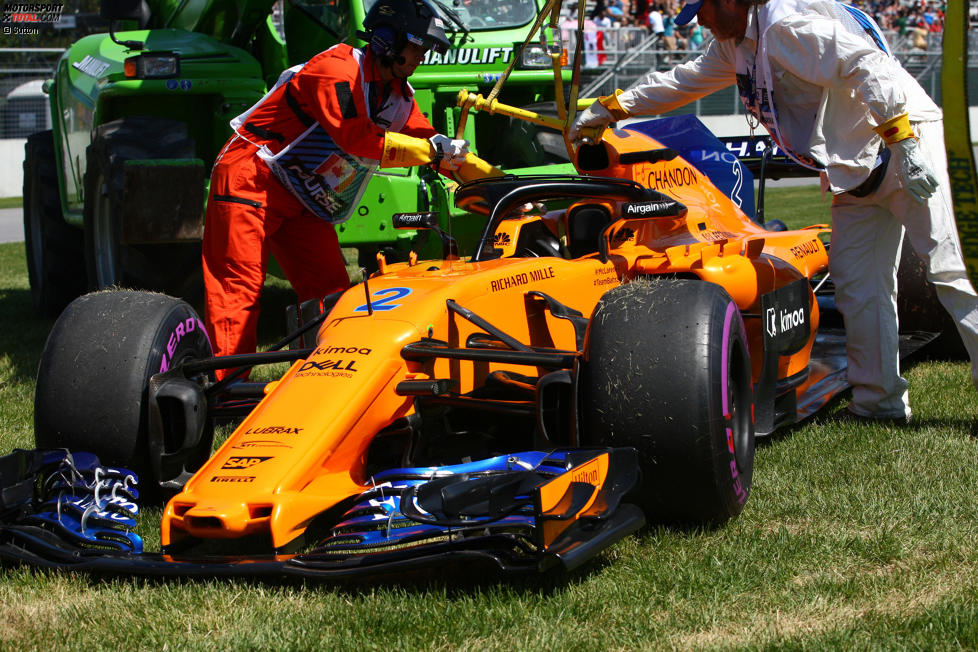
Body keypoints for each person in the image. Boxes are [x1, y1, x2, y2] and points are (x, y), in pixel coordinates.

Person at [570, 0, 978, 423]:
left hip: (903, 143)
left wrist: (904, 144)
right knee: (859, 286)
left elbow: (869, 64)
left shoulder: (785, 27)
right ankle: (879, 404)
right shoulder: (736, 44)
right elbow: (682, 82)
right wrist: (610, 108)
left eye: (704, 9)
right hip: (855, 165)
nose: (701, 21)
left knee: (953, 272)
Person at [202, 0, 492, 378]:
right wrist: (429, 149)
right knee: (236, 290)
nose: (422, 57)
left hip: (301, 194)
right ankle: (228, 394)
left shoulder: (397, 95)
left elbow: (432, 147)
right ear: (387, 40)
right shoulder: (335, 70)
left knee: (330, 291)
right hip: (250, 177)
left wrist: (495, 183)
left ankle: (320, 377)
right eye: (417, 47)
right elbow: (356, 137)